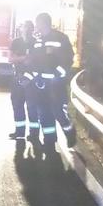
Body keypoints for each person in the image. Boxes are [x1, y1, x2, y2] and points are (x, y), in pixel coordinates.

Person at [30, 12, 76, 149]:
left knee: (58, 112)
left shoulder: (60, 38)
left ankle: (70, 132)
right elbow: (34, 61)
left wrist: (59, 73)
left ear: (43, 23)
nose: (36, 26)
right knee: (44, 114)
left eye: (37, 23)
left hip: (57, 84)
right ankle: (50, 141)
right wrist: (36, 76)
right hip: (42, 85)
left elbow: (68, 58)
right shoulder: (37, 41)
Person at [8, 20, 40, 141]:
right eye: (25, 27)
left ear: (32, 30)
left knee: (32, 108)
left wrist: (19, 58)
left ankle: (34, 134)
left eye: (29, 28)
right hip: (17, 78)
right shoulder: (16, 42)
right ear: (21, 29)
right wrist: (24, 58)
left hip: (31, 80)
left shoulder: (36, 43)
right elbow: (10, 59)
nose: (26, 30)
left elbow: (36, 60)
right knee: (17, 105)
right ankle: (19, 132)